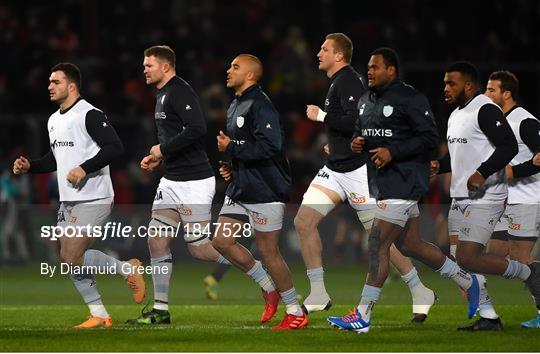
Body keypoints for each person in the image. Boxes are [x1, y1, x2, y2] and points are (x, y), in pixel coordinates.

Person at [328, 49, 493, 333]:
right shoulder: (367, 100)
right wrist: (359, 142)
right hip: (383, 182)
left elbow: (429, 137)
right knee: (410, 245)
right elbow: (363, 133)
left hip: (405, 181)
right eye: (368, 67)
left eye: (375, 67)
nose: (369, 71)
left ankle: (363, 315)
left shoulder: (410, 98)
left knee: (378, 243)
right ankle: (468, 281)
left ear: (391, 70)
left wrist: (394, 152)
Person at [294, 33, 435, 321]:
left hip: (359, 172)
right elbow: (348, 127)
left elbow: (355, 122)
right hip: (335, 169)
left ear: (339, 55)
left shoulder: (349, 80)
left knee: (380, 239)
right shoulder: (337, 81)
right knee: (303, 221)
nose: (318, 52)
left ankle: (419, 289)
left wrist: (321, 117)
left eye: (325, 48)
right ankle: (318, 293)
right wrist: (333, 144)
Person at [12, 62, 145, 328]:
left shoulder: (90, 114)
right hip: (68, 199)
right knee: (69, 259)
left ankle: (127, 270)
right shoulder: (53, 120)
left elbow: (114, 147)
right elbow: (56, 159)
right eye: (49, 82)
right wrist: (31, 167)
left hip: (94, 196)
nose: (50, 86)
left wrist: (85, 168)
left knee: (71, 255)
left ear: (71, 86)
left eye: (56, 82)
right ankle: (100, 313)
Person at [126, 45, 233, 325]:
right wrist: (158, 158)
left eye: (149, 65)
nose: (144, 70)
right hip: (171, 180)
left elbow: (197, 128)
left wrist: (162, 149)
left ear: (165, 66)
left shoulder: (179, 90)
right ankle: (161, 311)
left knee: (198, 248)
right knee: (157, 241)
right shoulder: (162, 94)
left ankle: (258, 271)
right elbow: (176, 139)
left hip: (194, 181)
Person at [434, 61, 540, 330]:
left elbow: (507, 148)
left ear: (468, 85)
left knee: (471, 258)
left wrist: (483, 173)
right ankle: (489, 316)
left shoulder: (487, 110)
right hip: (460, 197)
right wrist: (437, 165)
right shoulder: (456, 114)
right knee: (464, 263)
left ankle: (529, 273)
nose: (445, 87)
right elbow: (461, 158)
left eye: (451, 83)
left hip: (489, 196)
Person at [212, 54, 307, 330]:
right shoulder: (235, 105)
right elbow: (245, 145)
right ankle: (268, 288)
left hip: (266, 188)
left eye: (235, 67)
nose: (228, 70)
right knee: (221, 241)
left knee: (268, 252)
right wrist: (233, 166)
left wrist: (231, 149)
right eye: (229, 65)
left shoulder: (261, 104)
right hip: (242, 186)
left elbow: (270, 147)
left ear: (251, 76)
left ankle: (295, 310)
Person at [483, 70, 540, 328]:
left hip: (528, 198)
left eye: (491, 90)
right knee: (494, 252)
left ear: (506, 94)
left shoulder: (524, 121)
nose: (486, 94)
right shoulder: (497, 123)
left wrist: (513, 172)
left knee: (520, 259)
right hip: (507, 200)